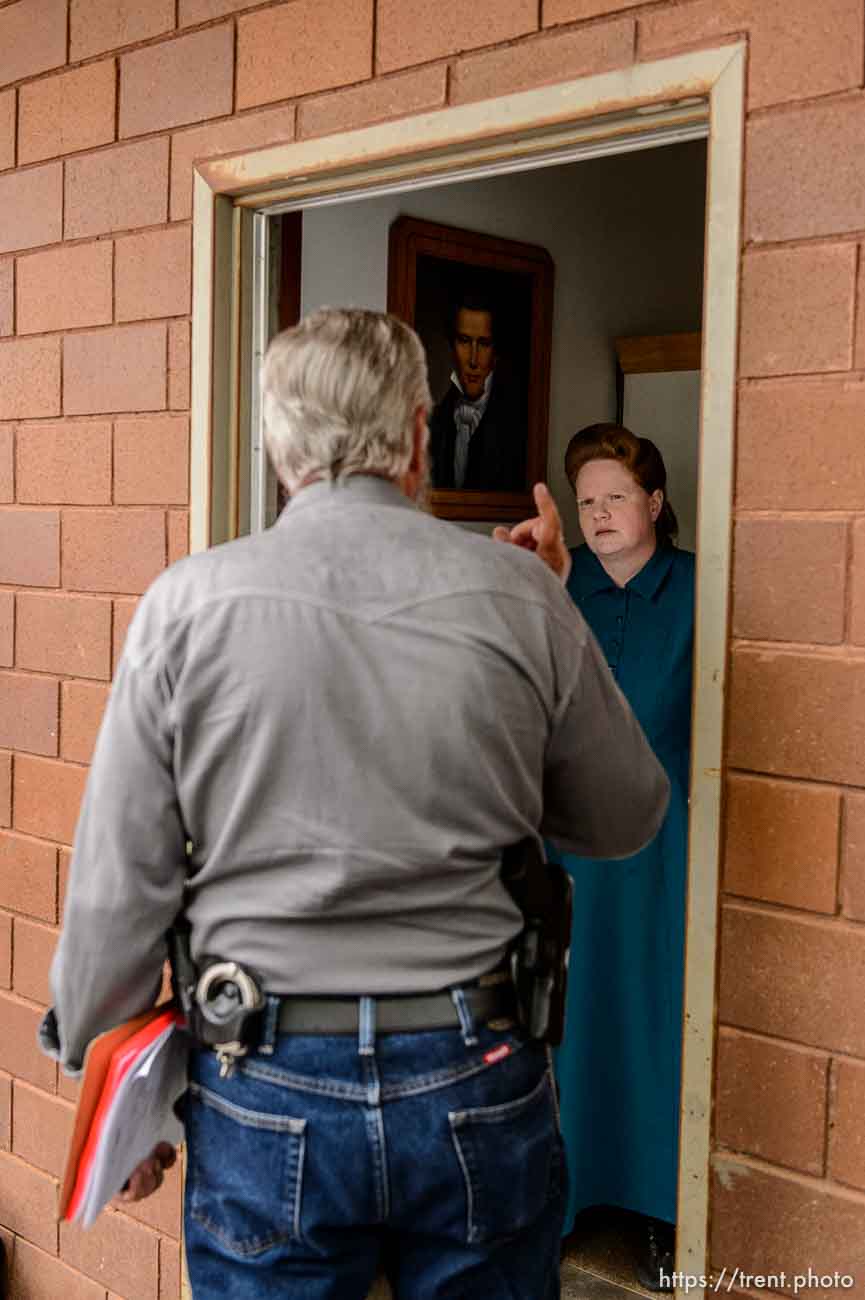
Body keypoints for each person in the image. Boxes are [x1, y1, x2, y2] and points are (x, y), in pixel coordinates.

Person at [42, 312, 669, 1300]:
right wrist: (539, 604)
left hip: (264, 1077)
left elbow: (120, 881)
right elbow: (624, 813)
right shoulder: (521, 592)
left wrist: (113, 1095)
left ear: (277, 447)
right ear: (419, 434)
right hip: (480, 1062)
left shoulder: (187, 604)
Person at [552, 423, 694, 1290]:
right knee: (573, 1020)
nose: (599, 514)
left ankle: (664, 1207)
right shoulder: (555, 586)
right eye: (587, 501)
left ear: (654, 502)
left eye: (615, 497)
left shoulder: (698, 592)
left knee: (656, 1020)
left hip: (667, 853)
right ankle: (569, 1199)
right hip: (567, 851)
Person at [428, 292, 526, 491]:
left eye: (484, 344)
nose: (473, 360)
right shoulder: (434, 423)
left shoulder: (519, 423)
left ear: (496, 351)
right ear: (451, 345)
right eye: (464, 341)